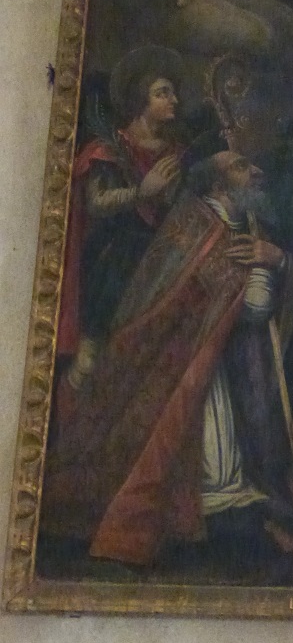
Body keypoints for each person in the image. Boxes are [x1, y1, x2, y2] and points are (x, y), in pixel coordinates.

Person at [41, 150, 293, 568]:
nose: (256, 171)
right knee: (199, 460)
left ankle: (232, 527)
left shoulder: (247, 227)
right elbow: (233, 304)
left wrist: (276, 259)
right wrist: (255, 275)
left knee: (226, 461)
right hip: (183, 366)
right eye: (241, 167)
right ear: (217, 184)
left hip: (224, 369)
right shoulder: (195, 224)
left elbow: (253, 306)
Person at [58, 46, 186, 391]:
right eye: (163, 92)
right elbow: (96, 202)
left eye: (173, 92)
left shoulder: (174, 152)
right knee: (93, 358)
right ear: (140, 100)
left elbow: (173, 205)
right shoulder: (109, 149)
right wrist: (142, 192)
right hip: (113, 255)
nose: (174, 99)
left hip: (156, 251)